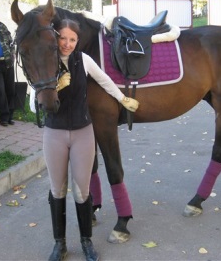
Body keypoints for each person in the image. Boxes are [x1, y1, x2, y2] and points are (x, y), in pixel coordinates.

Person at [30, 19, 139, 261]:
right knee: (57, 190)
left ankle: (86, 242)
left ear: (77, 42)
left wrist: (123, 99)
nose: (67, 44)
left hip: (82, 132)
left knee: (81, 190)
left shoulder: (84, 60)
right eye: (63, 38)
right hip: (54, 133)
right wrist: (54, 88)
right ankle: (60, 244)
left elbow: (105, 81)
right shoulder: (45, 62)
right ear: (55, 38)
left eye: (72, 39)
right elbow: (32, 102)